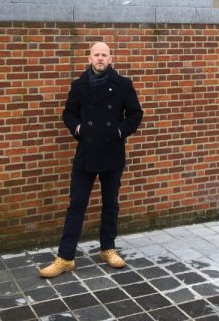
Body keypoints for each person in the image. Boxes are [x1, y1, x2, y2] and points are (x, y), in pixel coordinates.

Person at [39, 41, 143, 278]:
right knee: (76, 204)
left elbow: (136, 114)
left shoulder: (123, 84)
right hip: (85, 152)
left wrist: (119, 131)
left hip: (112, 151)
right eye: (96, 55)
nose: (100, 58)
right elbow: (68, 112)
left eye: (104, 55)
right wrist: (77, 128)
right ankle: (65, 258)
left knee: (110, 204)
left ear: (110, 58)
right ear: (89, 58)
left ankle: (108, 248)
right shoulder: (79, 85)